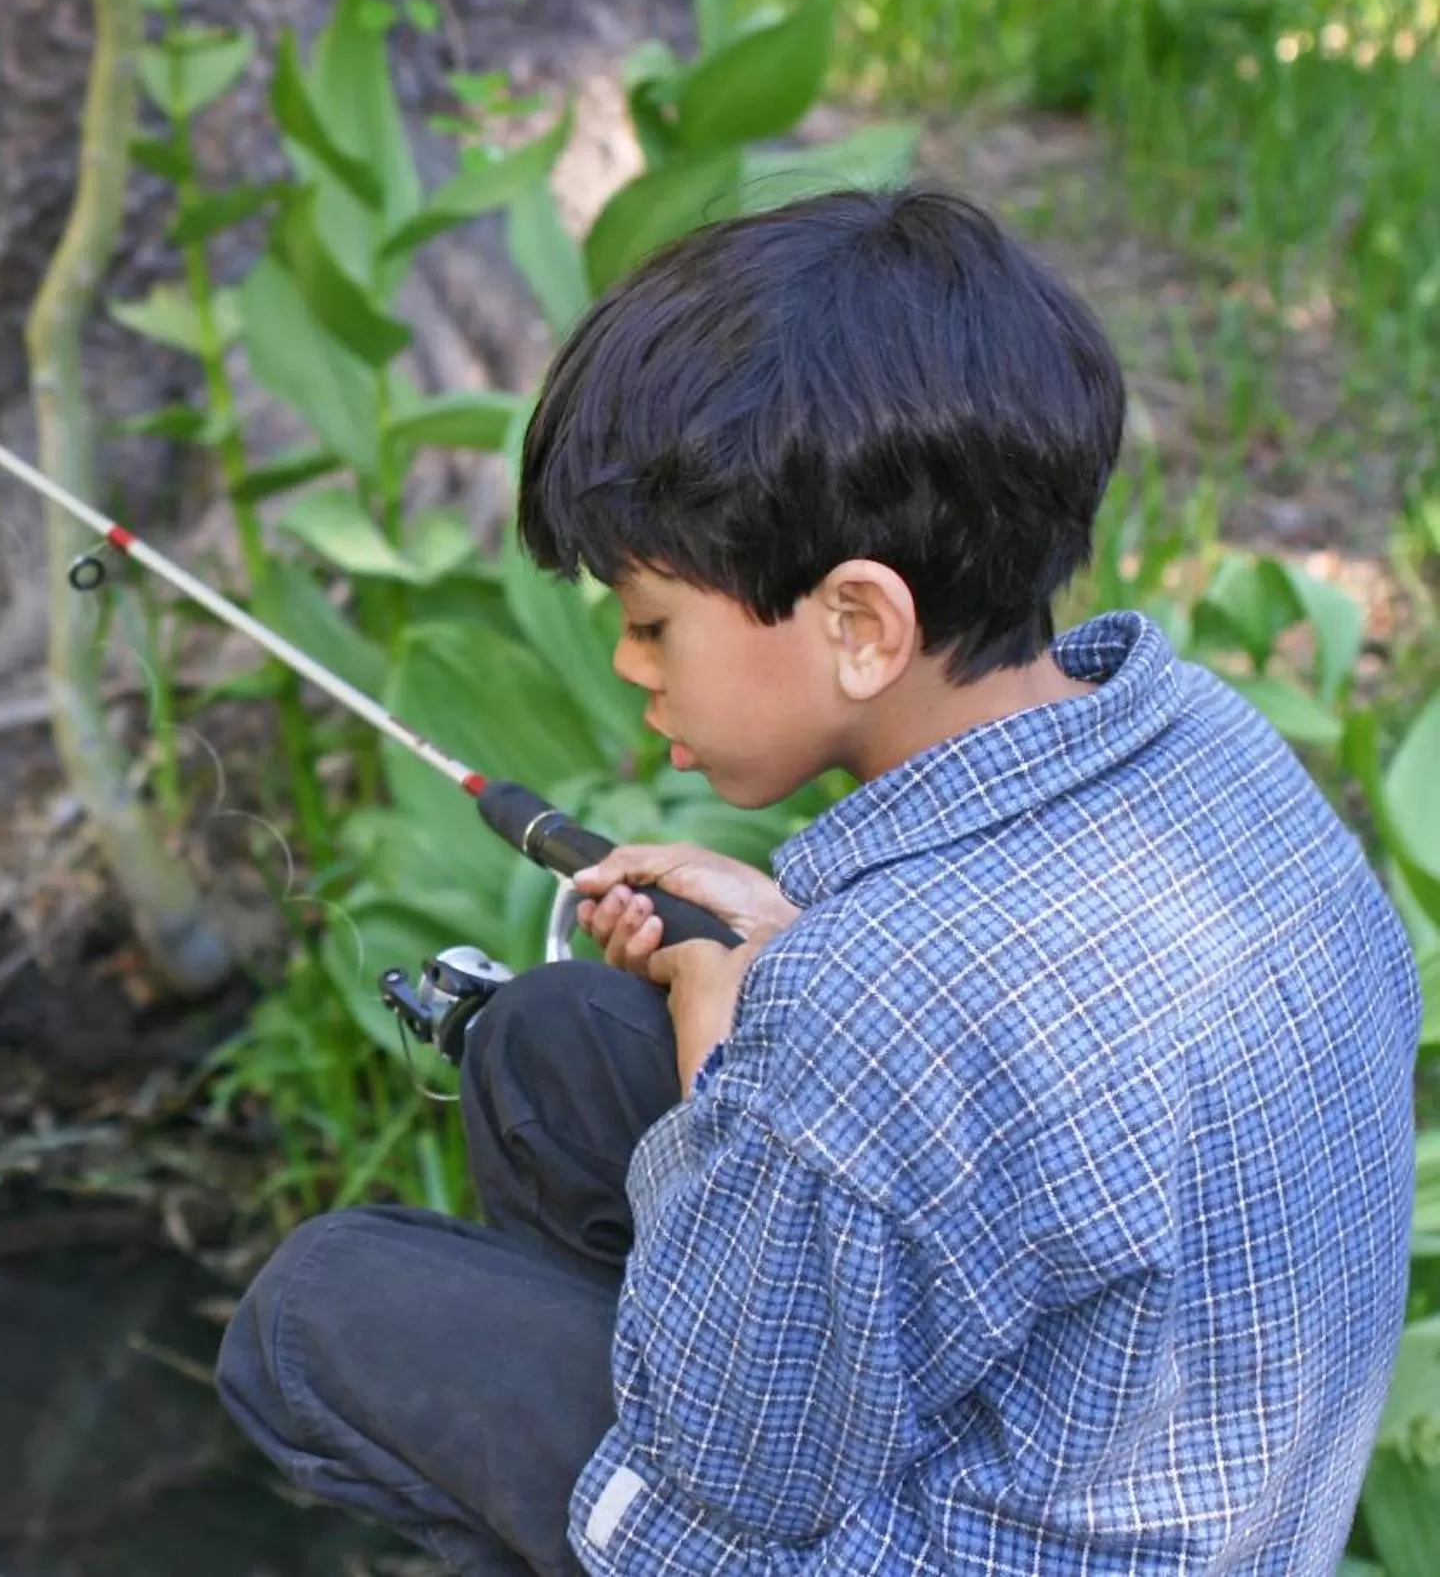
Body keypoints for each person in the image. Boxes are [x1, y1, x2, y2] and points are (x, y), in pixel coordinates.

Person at [215, 184, 1423, 1574]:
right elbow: (1027, 1052)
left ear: (860, 622)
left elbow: (736, 1462)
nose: (627, 663)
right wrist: (796, 947)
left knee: (320, 1312)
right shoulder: (1215, 745)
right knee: (550, 1044)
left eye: (653, 620)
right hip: (1190, 1485)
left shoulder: (875, 1011)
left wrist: (747, 1049)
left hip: (884, 1511)